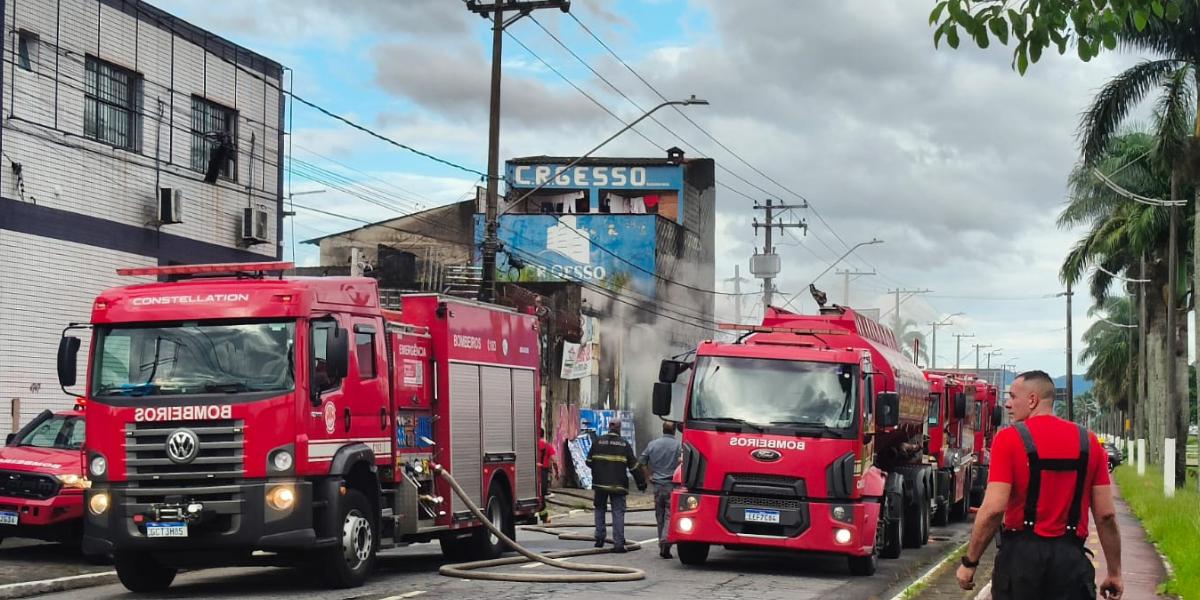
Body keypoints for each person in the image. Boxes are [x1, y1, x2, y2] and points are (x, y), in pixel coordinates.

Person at [956, 370, 1122, 600]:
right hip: (1071, 563)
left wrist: (970, 561)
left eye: (1013, 397)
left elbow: (993, 509)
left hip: (1020, 564)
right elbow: (1106, 516)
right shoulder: (1090, 442)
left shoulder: (1008, 440)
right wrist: (1114, 572)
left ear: (1032, 400)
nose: (1007, 404)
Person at [585, 419, 646, 553]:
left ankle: (599, 539)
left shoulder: (598, 442)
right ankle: (618, 543)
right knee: (618, 512)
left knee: (600, 509)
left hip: (600, 484)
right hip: (618, 485)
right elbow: (634, 467)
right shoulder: (624, 444)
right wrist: (641, 483)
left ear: (609, 427)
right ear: (619, 428)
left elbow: (588, 462)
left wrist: (600, 468)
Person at [640, 421, 681, 558]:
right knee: (670, 514)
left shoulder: (653, 444)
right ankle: (665, 541)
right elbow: (684, 461)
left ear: (663, 429)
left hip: (657, 484)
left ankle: (661, 542)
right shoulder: (678, 445)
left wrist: (648, 477)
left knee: (659, 515)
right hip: (672, 484)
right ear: (674, 430)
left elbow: (642, 462)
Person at [537, 428, 558, 519]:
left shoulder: (533, 445)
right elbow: (554, 460)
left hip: (533, 471)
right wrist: (556, 472)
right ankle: (544, 517)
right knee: (542, 495)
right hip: (543, 472)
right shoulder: (547, 446)